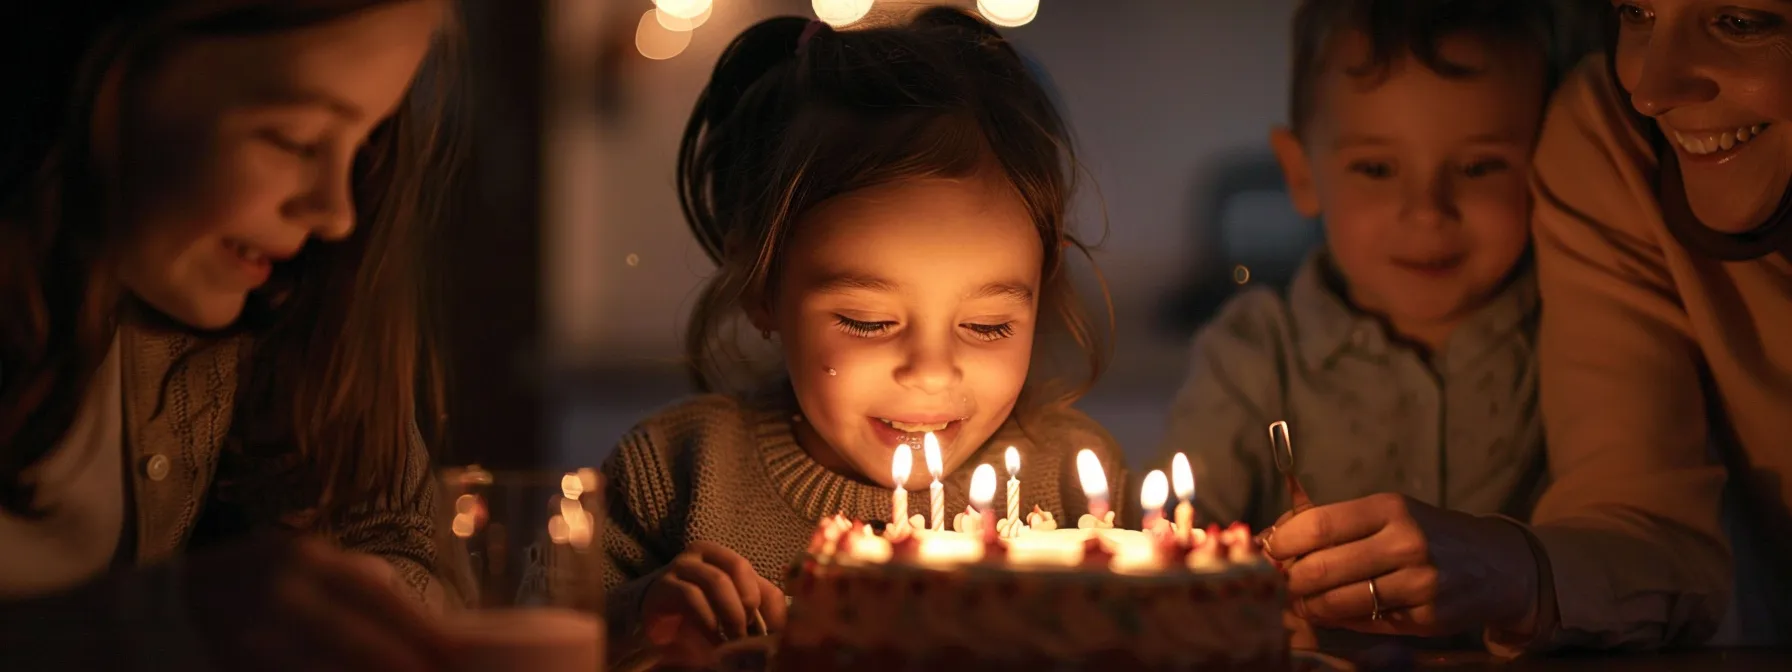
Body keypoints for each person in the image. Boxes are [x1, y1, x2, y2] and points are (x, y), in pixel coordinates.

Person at [597, 8, 1127, 666]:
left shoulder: (1076, 486)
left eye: (987, 326)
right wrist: (644, 618)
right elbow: (533, 628)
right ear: (763, 287)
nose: (933, 372)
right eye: (868, 321)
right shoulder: (676, 474)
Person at [1259, 0, 1792, 653]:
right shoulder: (1614, 144)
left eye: (1742, 21)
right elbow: (1646, 527)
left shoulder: (1535, 331)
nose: (1651, 90)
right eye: (1635, 12)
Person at [0, 1, 462, 669]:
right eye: (296, 138)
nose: (336, 212)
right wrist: (136, 626)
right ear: (102, 74)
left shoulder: (266, 315)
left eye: (365, 141)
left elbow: (393, 532)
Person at [1159, 0, 1554, 575]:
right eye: (1376, 169)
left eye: (1478, 168)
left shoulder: (1575, 341)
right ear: (1300, 174)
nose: (1426, 213)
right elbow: (1181, 554)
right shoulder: (1251, 356)